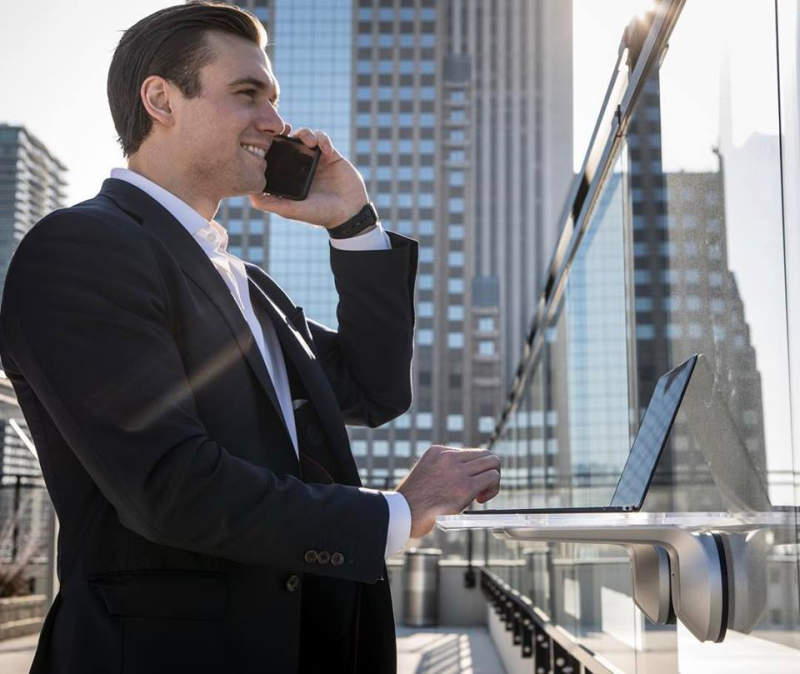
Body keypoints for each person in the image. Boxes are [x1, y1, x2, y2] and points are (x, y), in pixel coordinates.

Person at [0, 2, 501, 673]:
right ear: (161, 100)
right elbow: (172, 486)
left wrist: (354, 226)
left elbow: (374, 389)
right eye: (247, 94)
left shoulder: (245, 282)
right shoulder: (82, 248)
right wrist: (396, 513)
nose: (277, 122)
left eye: (274, 99)